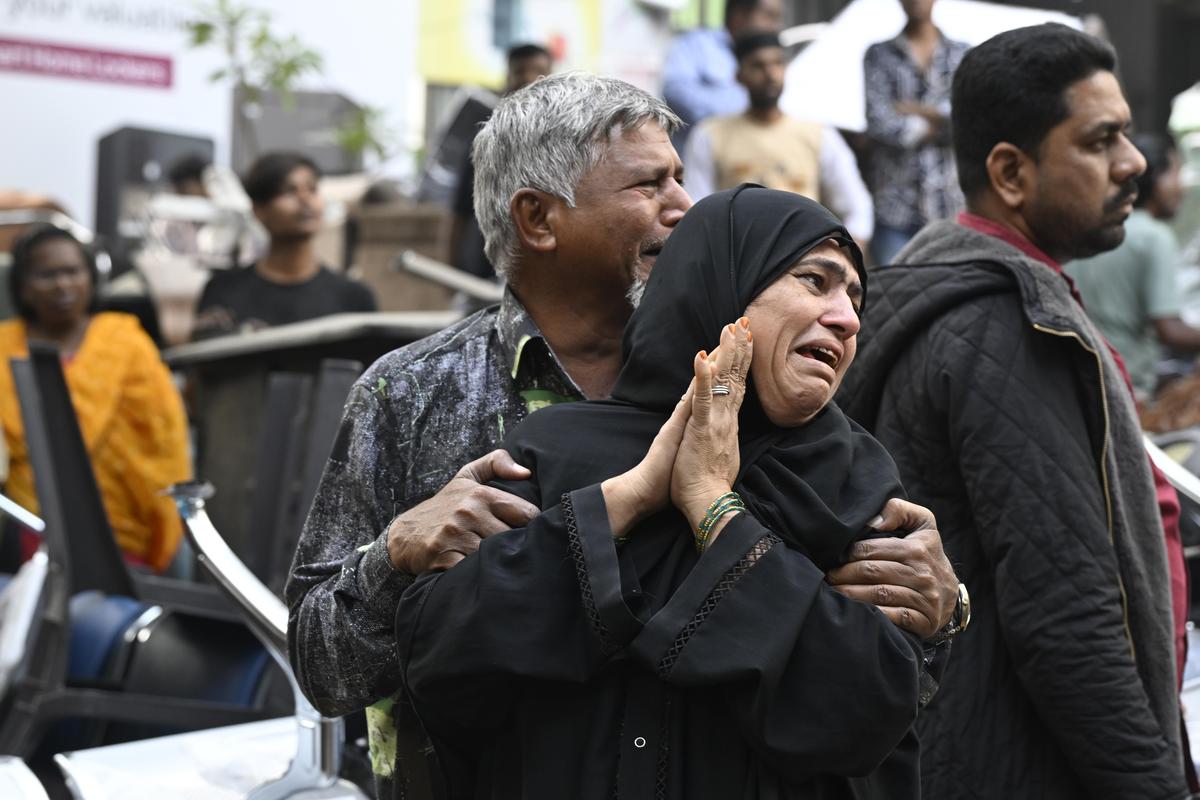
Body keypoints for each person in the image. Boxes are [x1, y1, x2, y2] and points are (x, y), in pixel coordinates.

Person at [287, 73, 958, 800]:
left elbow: (874, 676)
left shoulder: (792, 399)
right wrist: (395, 555)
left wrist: (942, 608)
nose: (684, 205)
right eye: (649, 186)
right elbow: (325, 670)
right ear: (538, 219)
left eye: (681, 178)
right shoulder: (414, 394)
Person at [839, 24, 1193, 798]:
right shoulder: (1004, 326)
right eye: (1101, 141)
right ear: (1010, 172)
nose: (1132, 163)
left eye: (1127, 136)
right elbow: (1066, 617)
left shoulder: (965, 287)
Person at [0, 225, 191, 572]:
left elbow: (162, 440)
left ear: (90, 277)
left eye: (72, 272)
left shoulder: (124, 340)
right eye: (47, 275)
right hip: (27, 519)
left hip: (123, 527)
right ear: (23, 287)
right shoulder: (4, 345)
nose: (62, 285)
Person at [684, 31, 873, 246]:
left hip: (803, 257)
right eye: (758, 65)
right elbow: (696, 209)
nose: (770, 74)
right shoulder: (709, 135)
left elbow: (858, 208)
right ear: (739, 76)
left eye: (777, 63)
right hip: (735, 261)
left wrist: (846, 257)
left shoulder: (819, 134)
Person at [1066, 133, 1200, 400]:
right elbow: (1169, 329)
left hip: (1086, 383)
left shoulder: (1093, 230)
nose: (1181, 186)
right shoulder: (1154, 237)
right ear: (1156, 179)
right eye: (1174, 172)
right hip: (1129, 389)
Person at [191, 151, 376, 339]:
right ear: (259, 210)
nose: (306, 200)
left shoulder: (354, 297)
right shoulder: (222, 292)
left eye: (312, 189)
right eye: (289, 191)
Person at [863, 0, 967, 265]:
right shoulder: (879, 55)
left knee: (950, 297)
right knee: (895, 298)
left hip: (948, 209)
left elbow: (968, 119)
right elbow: (880, 123)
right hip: (895, 210)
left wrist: (912, 110)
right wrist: (940, 118)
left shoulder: (961, 55)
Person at [446, 43, 553, 280]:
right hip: (481, 272)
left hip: (538, 274)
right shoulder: (483, 137)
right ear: (507, 76)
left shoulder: (562, 140)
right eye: (519, 70)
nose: (527, 78)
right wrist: (451, 271)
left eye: (537, 71)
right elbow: (459, 211)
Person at [661, 0, 784, 147]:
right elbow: (676, 92)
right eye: (770, 16)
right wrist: (741, 115)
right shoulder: (696, 45)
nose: (775, 27)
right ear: (740, 15)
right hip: (698, 157)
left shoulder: (771, 58)